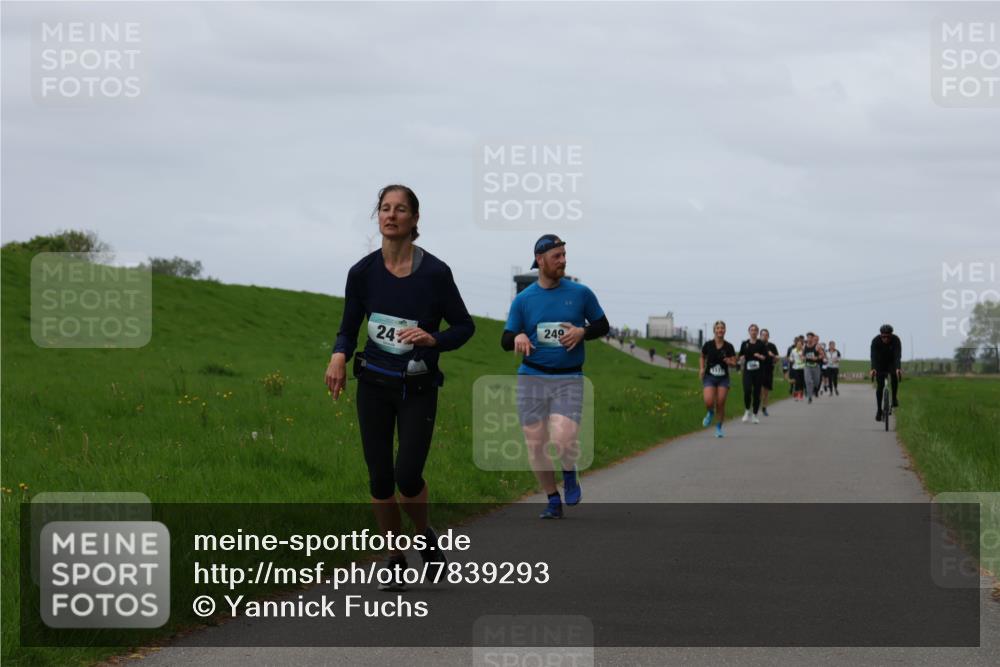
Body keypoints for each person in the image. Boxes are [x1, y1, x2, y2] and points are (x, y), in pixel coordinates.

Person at [326, 185, 475, 591]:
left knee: (407, 476)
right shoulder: (362, 273)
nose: (391, 215)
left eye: (400, 209)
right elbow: (348, 326)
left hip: (418, 388)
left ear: (415, 220)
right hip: (373, 383)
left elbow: (465, 327)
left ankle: (424, 534)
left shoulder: (435, 274)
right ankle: (393, 557)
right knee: (379, 479)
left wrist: (433, 339)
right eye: (385, 209)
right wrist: (340, 354)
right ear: (379, 217)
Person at [502, 234, 609, 519]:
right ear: (540, 260)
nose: (562, 261)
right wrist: (520, 335)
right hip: (532, 377)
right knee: (535, 443)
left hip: (568, 378)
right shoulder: (524, 300)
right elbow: (505, 338)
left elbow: (603, 325)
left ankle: (569, 472)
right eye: (556, 256)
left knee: (563, 438)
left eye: (564, 255)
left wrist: (583, 331)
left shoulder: (581, 293)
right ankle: (552, 499)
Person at [700, 320, 738, 438]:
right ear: (714, 330)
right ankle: (710, 412)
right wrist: (701, 368)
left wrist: (730, 362)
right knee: (709, 401)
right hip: (709, 377)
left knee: (721, 402)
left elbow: (734, 363)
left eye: (722, 328)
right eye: (718, 328)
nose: (720, 330)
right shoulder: (708, 345)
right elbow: (702, 356)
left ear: (725, 330)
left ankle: (718, 428)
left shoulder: (729, 346)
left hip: (723, 378)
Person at [870, 324, 902, 421]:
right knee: (880, 386)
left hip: (891, 362)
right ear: (881, 335)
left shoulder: (896, 340)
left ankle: (894, 398)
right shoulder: (875, 341)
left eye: (888, 336)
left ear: (891, 335)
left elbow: (897, 355)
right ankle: (879, 410)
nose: (886, 339)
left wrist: (898, 368)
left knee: (894, 375)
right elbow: (873, 356)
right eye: (883, 336)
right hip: (880, 363)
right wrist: (873, 368)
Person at [738, 323, 767, 424]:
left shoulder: (761, 344)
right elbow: (740, 356)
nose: (753, 331)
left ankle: (754, 414)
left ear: (757, 332)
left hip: (759, 372)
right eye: (752, 330)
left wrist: (759, 356)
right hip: (748, 371)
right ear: (749, 332)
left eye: (755, 330)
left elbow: (765, 357)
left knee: (756, 393)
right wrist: (741, 358)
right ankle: (747, 411)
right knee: (747, 390)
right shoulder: (745, 344)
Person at [759, 328, 780, 416]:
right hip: (758, 370)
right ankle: (756, 407)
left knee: (766, 391)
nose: (765, 337)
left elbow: (777, 359)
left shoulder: (772, 346)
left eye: (766, 335)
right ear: (760, 336)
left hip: (768, 370)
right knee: (758, 390)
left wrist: (773, 356)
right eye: (763, 335)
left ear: (769, 337)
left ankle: (764, 408)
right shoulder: (757, 345)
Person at [802, 332, 825, 404]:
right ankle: (809, 397)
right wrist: (803, 357)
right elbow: (802, 355)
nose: (808, 339)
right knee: (808, 381)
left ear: (813, 338)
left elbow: (822, 355)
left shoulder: (817, 346)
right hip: (807, 366)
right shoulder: (804, 346)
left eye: (810, 337)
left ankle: (815, 388)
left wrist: (817, 357)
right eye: (807, 337)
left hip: (815, 366)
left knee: (817, 382)